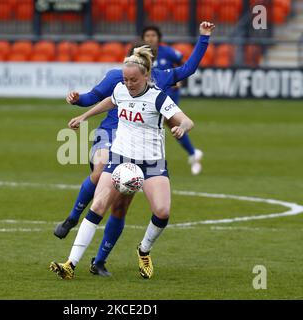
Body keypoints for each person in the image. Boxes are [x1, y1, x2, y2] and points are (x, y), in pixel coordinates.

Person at [54, 21, 215, 245]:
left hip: (140, 146)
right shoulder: (115, 76)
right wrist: (78, 100)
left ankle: (100, 260)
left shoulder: (161, 77)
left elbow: (188, 69)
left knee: (119, 207)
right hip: (110, 133)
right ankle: (72, 217)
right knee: (101, 169)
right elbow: (94, 96)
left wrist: (204, 36)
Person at [50, 45, 195, 280]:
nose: (129, 84)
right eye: (126, 79)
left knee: (162, 211)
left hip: (151, 163)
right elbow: (110, 101)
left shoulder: (158, 97)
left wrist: (181, 127)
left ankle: (144, 249)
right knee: (98, 205)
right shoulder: (121, 89)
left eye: (134, 80)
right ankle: (70, 263)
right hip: (119, 158)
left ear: (147, 76)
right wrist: (84, 116)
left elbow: (186, 120)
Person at [142, 25, 203, 175]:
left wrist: (178, 80)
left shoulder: (168, 52)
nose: (150, 38)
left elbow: (183, 64)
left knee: (158, 124)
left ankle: (149, 163)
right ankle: (193, 153)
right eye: (147, 35)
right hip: (148, 97)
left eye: (153, 35)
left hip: (168, 94)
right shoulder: (140, 55)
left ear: (159, 37)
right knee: (172, 125)